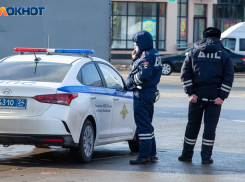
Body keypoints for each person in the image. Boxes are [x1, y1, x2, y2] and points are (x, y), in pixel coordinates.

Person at [179, 27, 234, 164]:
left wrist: (190, 93)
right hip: (215, 96)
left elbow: (185, 74)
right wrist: (222, 96)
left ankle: (186, 155)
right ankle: (206, 157)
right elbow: (228, 77)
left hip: (196, 95)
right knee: (210, 127)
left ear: (203, 37)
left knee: (192, 125)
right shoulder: (225, 54)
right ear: (218, 37)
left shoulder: (193, 52)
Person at [126, 31, 162, 165]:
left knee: (143, 125)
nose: (135, 45)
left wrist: (131, 82)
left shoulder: (146, 56)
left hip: (142, 94)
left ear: (141, 43)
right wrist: (135, 58)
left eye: (136, 43)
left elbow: (144, 75)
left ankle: (144, 155)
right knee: (147, 125)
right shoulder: (153, 52)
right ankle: (151, 154)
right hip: (149, 93)